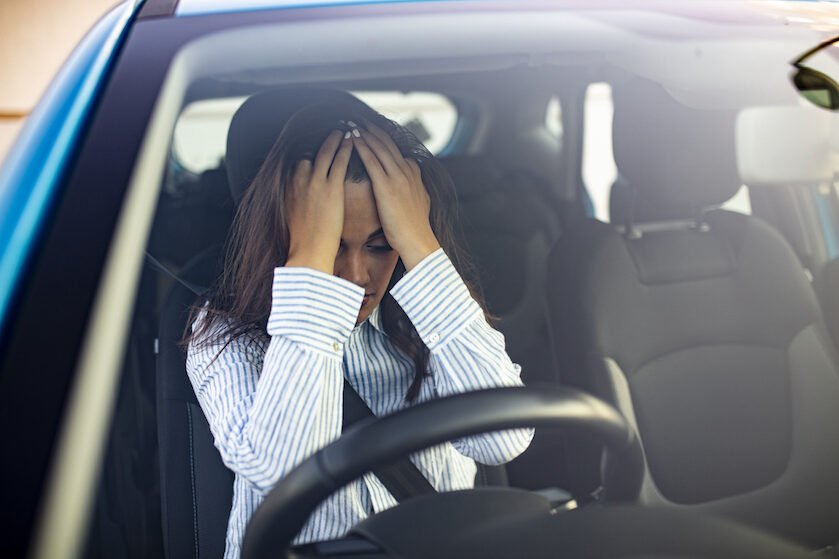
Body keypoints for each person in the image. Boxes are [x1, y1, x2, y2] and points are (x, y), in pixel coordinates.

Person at [185, 98, 533, 559]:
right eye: (331, 247)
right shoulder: (221, 332)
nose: (355, 274)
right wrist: (307, 262)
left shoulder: (426, 315)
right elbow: (286, 473)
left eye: (379, 245)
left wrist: (420, 244)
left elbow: (504, 438)